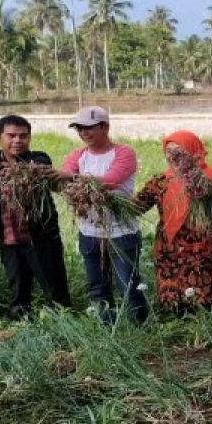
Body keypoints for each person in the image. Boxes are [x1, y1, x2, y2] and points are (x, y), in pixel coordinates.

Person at [133, 130, 212, 314]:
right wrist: (105, 200)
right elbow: (136, 207)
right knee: (176, 300)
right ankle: (181, 329)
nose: (172, 156)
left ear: (194, 152)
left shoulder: (210, 181)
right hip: (170, 251)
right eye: (168, 151)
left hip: (204, 251)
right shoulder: (160, 182)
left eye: (179, 151)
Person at [61, 106, 149, 324]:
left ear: (105, 127)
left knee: (127, 284)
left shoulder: (124, 153)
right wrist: (65, 181)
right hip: (89, 232)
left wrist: (73, 181)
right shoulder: (77, 155)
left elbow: (112, 179)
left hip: (121, 231)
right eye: (79, 128)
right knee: (97, 286)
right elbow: (66, 180)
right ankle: (105, 325)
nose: (84, 133)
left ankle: (138, 327)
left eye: (89, 128)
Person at [0, 114, 72, 319]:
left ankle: (63, 319)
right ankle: (19, 320)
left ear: (29, 138)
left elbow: (35, 171)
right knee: (17, 285)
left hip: (40, 236)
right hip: (8, 236)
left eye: (23, 136)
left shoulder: (39, 159)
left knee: (53, 283)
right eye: (11, 135)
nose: (17, 141)